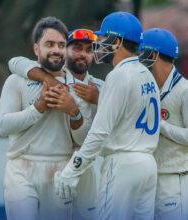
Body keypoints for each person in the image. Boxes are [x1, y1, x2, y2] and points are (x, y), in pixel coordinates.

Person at [55, 11, 161, 220]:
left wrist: (71, 172)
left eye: (103, 39)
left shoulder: (118, 75)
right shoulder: (146, 74)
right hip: (148, 166)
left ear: (117, 41)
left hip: (122, 166)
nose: (99, 45)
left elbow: (99, 132)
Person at [0, 16, 93, 220]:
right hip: (21, 168)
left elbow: (84, 140)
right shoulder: (17, 80)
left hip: (60, 169)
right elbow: (3, 126)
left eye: (61, 45)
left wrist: (74, 112)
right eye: (49, 44)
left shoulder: (76, 87)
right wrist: (38, 108)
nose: (56, 50)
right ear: (36, 49)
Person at [139, 28, 188, 220]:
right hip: (151, 177)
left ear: (153, 54)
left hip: (175, 179)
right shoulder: (149, 88)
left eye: (142, 54)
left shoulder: (184, 90)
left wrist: (160, 125)